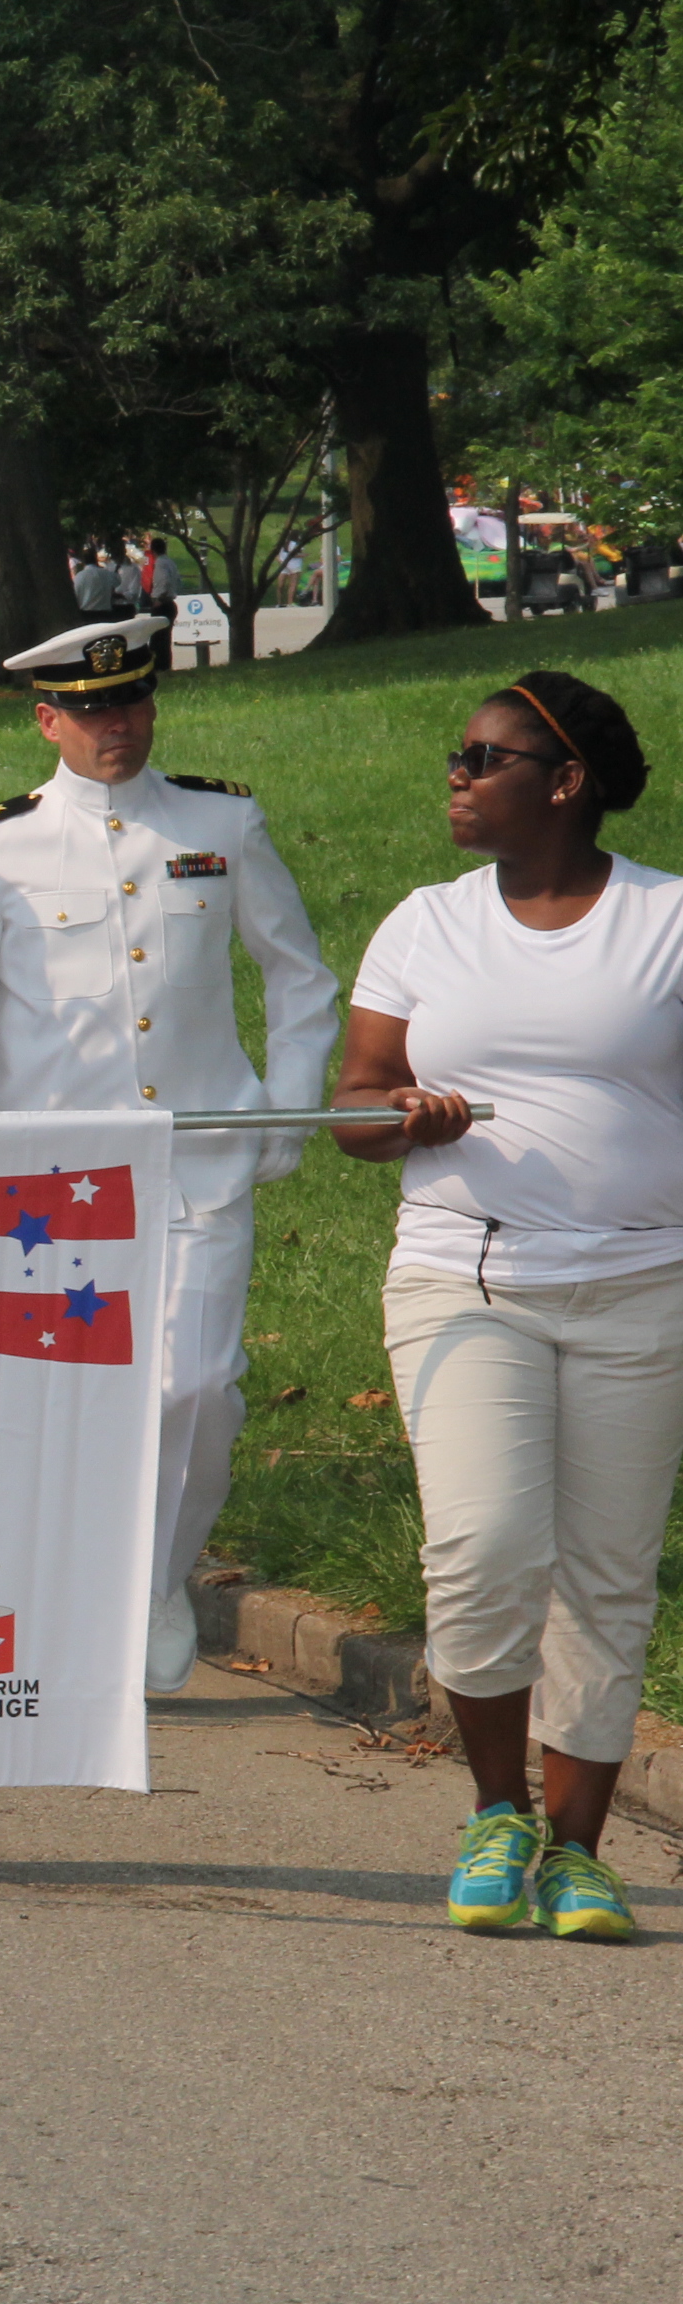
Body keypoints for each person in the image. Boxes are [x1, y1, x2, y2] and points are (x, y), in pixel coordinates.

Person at [0, 615, 337, 1695]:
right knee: (64, 1402)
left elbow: (299, 978)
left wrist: (279, 1121)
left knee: (196, 1390)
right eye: (93, 709)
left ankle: (150, 1583)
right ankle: (69, 1589)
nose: (118, 726)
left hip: (198, 1157)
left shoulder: (218, 822)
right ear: (46, 718)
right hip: (53, 1181)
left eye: (133, 702)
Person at [328, 670, 681, 1945]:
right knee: (482, 1548)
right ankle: (497, 1809)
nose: (458, 778)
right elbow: (355, 1103)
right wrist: (399, 1117)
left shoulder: (667, 922)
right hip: (463, 1278)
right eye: (458, 758)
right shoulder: (425, 924)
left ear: (567, 780)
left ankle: (581, 1854)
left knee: (604, 1576)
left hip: (643, 1288)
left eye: (485, 757)